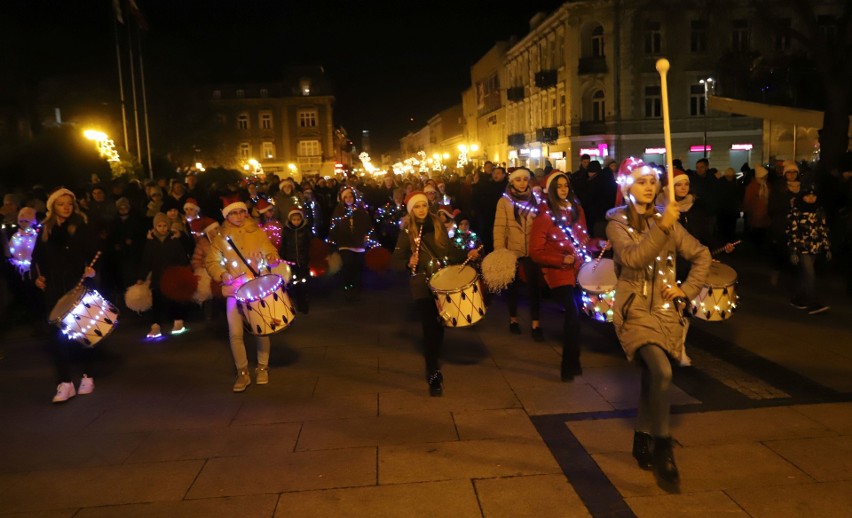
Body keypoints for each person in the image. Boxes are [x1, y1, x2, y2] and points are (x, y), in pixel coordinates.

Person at [606, 158, 711, 489]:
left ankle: (641, 435)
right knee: (663, 371)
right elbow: (634, 257)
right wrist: (662, 226)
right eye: (641, 181)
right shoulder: (617, 223)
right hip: (634, 310)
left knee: (653, 377)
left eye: (653, 180)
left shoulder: (668, 220)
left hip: (666, 312)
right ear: (627, 187)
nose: (649, 186)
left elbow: (702, 255)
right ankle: (663, 446)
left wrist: (686, 289)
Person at [392, 191, 480, 396]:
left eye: (423, 205)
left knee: (440, 324)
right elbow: (394, 262)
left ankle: (434, 355)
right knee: (430, 324)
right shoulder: (407, 233)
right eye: (417, 207)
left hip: (442, 280)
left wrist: (467, 253)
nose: (421, 210)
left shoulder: (438, 225)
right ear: (411, 210)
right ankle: (432, 370)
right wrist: (407, 262)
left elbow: (448, 251)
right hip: (421, 283)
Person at [530, 171, 602, 381]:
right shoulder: (545, 216)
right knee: (572, 314)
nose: (563, 189)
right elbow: (535, 251)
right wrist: (560, 259)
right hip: (558, 274)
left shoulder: (577, 211)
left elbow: (584, 240)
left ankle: (575, 361)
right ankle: (567, 366)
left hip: (580, 271)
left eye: (566, 185)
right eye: (559, 186)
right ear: (552, 190)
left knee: (576, 317)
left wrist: (596, 244)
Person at [205, 199, 281, 392]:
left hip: (256, 288)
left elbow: (270, 250)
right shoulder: (221, 238)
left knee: (261, 329)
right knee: (235, 332)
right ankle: (243, 372)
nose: (238, 216)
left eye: (241, 212)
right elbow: (212, 262)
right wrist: (222, 274)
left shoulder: (256, 231)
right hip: (234, 289)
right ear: (227, 216)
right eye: (234, 213)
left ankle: (263, 366)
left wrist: (271, 258)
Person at [32, 189, 100, 403]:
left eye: (69, 203)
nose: (66, 207)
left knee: (82, 333)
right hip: (54, 289)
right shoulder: (45, 230)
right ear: (53, 206)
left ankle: (87, 376)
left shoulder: (81, 227)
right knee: (56, 337)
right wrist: (38, 276)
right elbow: (37, 258)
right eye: (61, 204)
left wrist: (91, 269)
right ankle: (65, 383)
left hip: (77, 286)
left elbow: (95, 252)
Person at [493, 167, 545, 340]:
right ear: (512, 182)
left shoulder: (536, 198)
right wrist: (500, 251)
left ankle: (536, 322)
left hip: (532, 248)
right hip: (512, 249)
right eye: (518, 180)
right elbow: (499, 228)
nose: (522, 183)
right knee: (513, 286)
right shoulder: (505, 201)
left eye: (524, 179)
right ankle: (513, 319)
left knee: (534, 287)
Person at [136, 213, 192, 338]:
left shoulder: (174, 240)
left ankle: (178, 321)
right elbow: (146, 261)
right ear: (155, 227)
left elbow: (182, 258)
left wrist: (184, 271)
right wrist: (141, 276)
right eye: (159, 226)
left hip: (172, 276)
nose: (162, 228)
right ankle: (155, 325)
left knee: (174, 300)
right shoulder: (151, 243)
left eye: (165, 225)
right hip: (157, 277)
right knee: (157, 301)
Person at [787, 183, 831, 314]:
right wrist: (793, 250)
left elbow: (822, 229)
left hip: (815, 248)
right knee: (810, 274)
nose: (811, 198)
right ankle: (813, 303)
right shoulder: (796, 212)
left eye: (813, 196)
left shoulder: (819, 211)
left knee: (805, 275)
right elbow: (792, 232)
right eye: (807, 196)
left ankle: (797, 298)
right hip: (802, 248)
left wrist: (827, 247)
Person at [327, 187, 372, 301]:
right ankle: (348, 285)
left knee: (358, 265)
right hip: (345, 243)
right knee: (348, 264)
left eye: (350, 196)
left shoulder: (361, 211)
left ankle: (357, 286)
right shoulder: (339, 211)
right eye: (346, 197)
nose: (348, 199)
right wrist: (332, 243)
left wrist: (369, 238)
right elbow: (334, 228)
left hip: (359, 244)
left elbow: (367, 225)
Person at [280, 207, 312, 314]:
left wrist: (309, 259)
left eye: (298, 219)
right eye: (294, 220)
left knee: (303, 283)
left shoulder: (306, 230)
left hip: (303, 262)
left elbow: (309, 245)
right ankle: (297, 303)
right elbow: (283, 246)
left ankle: (304, 304)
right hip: (291, 262)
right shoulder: (286, 231)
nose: (296, 222)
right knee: (294, 284)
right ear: (290, 220)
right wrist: (283, 260)